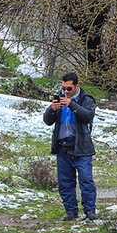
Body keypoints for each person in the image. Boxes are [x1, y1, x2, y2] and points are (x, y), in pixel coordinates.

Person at [43, 72, 98, 221]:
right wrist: (51, 109)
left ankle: (90, 211)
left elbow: (88, 116)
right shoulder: (59, 99)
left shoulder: (87, 100)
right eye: (64, 88)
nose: (65, 92)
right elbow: (47, 121)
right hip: (62, 147)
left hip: (81, 147)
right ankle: (71, 211)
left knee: (86, 181)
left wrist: (72, 104)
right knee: (65, 182)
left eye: (69, 89)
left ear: (76, 86)